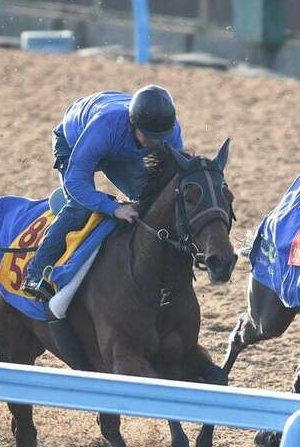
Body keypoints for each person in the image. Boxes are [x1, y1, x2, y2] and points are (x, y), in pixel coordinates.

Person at [22, 85, 184, 300]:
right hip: (75, 142)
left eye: (159, 138)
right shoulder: (105, 125)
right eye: (148, 136)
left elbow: (172, 181)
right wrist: (113, 208)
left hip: (119, 150)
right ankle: (35, 273)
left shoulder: (169, 132)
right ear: (133, 123)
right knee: (79, 207)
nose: (155, 143)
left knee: (151, 200)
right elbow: (76, 182)